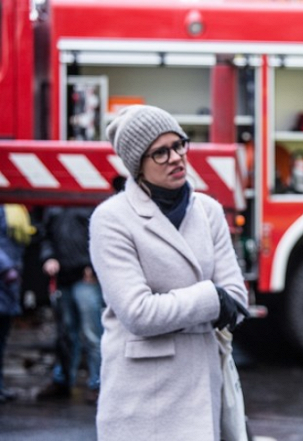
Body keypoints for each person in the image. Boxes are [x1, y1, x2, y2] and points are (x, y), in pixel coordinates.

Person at [89, 104, 249, 441]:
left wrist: (213, 301)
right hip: (141, 397)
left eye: (178, 145)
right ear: (138, 166)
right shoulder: (111, 219)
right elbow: (137, 313)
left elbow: (236, 298)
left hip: (203, 387)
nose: (176, 157)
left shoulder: (209, 211)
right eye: (160, 153)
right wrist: (211, 298)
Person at [36, 205, 104, 405]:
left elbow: (102, 236)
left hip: (86, 278)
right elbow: (45, 235)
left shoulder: (90, 201)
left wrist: (94, 266)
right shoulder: (53, 205)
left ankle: (98, 384)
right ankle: (62, 381)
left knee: (92, 334)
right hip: (63, 276)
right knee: (65, 335)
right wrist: (48, 257)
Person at [0, 204, 35, 403]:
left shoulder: (16, 209)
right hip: (6, 279)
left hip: (8, 287)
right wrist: (6, 269)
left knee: (2, 341)